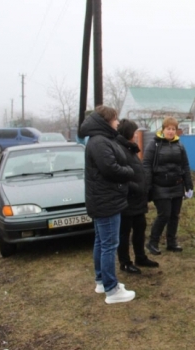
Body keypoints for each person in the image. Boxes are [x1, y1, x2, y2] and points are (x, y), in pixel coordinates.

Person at [79, 105, 136, 304]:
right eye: (115, 119)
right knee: (109, 245)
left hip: (103, 199)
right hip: (106, 201)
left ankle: (102, 281)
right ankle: (111, 290)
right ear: (106, 121)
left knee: (101, 242)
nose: (118, 122)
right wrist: (129, 171)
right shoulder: (100, 142)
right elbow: (110, 169)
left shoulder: (99, 140)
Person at [143, 117, 193, 255]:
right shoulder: (154, 145)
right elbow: (146, 165)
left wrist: (189, 186)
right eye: (168, 129)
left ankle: (172, 242)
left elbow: (185, 166)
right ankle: (152, 242)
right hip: (160, 186)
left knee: (174, 215)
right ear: (163, 130)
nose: (171, 132)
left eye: (173, 129)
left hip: (177, 185)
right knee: (164, 215)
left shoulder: (180, 146)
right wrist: (147, 186)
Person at [115, 119, 159, 274]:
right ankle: (125, 262)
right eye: (134, 132)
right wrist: (137, 188)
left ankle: (140, 257)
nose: (135, 135)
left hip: (138, 200)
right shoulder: (119, 150)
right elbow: (121, 176)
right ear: (128, 133)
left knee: (140, 229)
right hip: (127, 200)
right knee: (124, 233)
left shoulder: (130, 149)